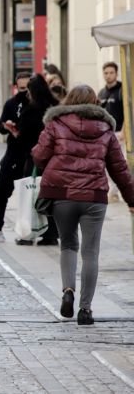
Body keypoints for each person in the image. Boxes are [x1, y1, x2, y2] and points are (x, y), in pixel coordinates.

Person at [31, 85, 134, 325]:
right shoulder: (106, 129)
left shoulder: (55, 123)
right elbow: (119, 169)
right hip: (94, 197)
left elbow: (39, 156)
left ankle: (68, 290)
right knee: (91, 253)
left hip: (62, 194)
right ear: (95, 103)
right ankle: (85, 309)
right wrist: (131, 199)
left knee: (67, 245)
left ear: (69, 100)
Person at [5, 74, 59, 246]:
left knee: (30, 196)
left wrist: (14, 131)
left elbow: (23, 140)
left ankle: (28, 234)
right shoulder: (55, 108)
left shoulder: (30, 111)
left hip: (35, 160)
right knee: (51, 197)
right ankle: (51, 234)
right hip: (53, 161)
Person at [0, 72, 31, 242]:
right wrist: (7, 126)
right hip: (13, 153)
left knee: (29, 193)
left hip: (30, 154)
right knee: (1, 189)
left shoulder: (36, 105)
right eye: (21, 88)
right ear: (16, 87)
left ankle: (29, 230)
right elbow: (1, 126)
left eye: (28, 87)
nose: (24, 91)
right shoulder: (11, 103)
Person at [98, 62, 125, 202]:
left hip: (120, 134)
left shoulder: (122, 89)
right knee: (108, 165)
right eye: (106, 73)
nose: (108, 75)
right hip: (105, 135)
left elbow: (129, 112)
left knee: (122, 164)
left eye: (111, 72)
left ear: (116, 73)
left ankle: (122, 192)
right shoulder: (102, 93)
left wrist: (124, 132)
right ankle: (112, 192)